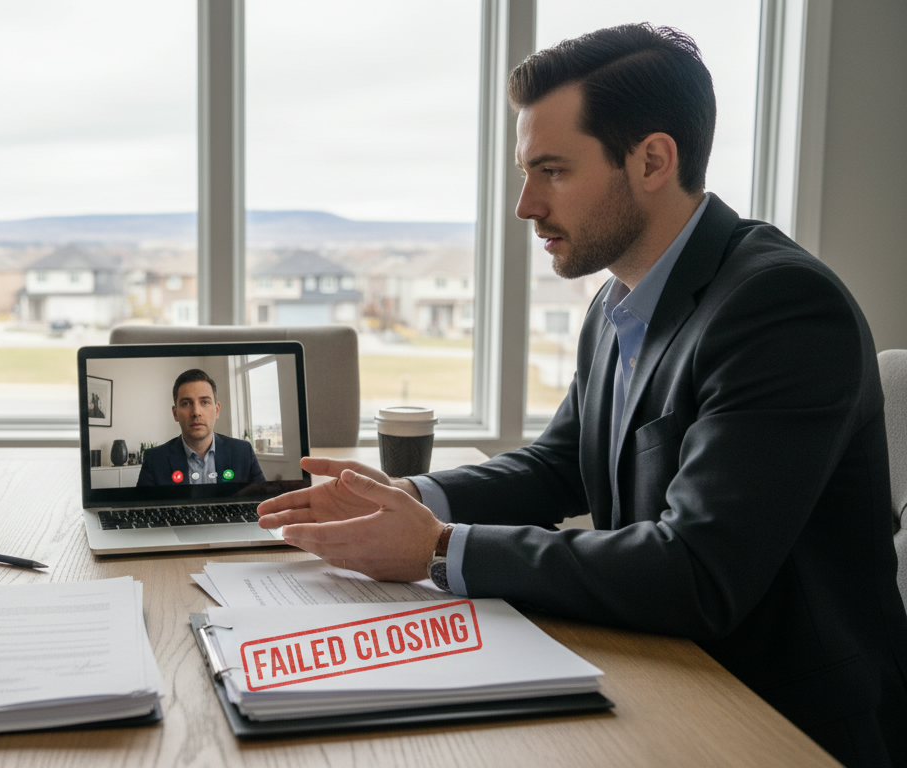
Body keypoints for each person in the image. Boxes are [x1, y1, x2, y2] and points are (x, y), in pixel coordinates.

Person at [257, 24, 907, 766]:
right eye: (525, 172)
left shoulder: (782, 308)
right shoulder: (618, 301)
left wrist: (435, 549)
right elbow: (560, 466)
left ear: (653, 160)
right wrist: (404, 496)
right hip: (666, 671)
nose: (526, 205)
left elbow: (697, 572)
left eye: (553, 170)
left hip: (776, 719)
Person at [136, 369, 265, 486]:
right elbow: (143, 509)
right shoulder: (155, 460)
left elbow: (264, 504)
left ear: (217, 410)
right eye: (186, 403)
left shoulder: (243, 452)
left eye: (205, 402)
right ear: (175, 413)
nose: (196, 412)